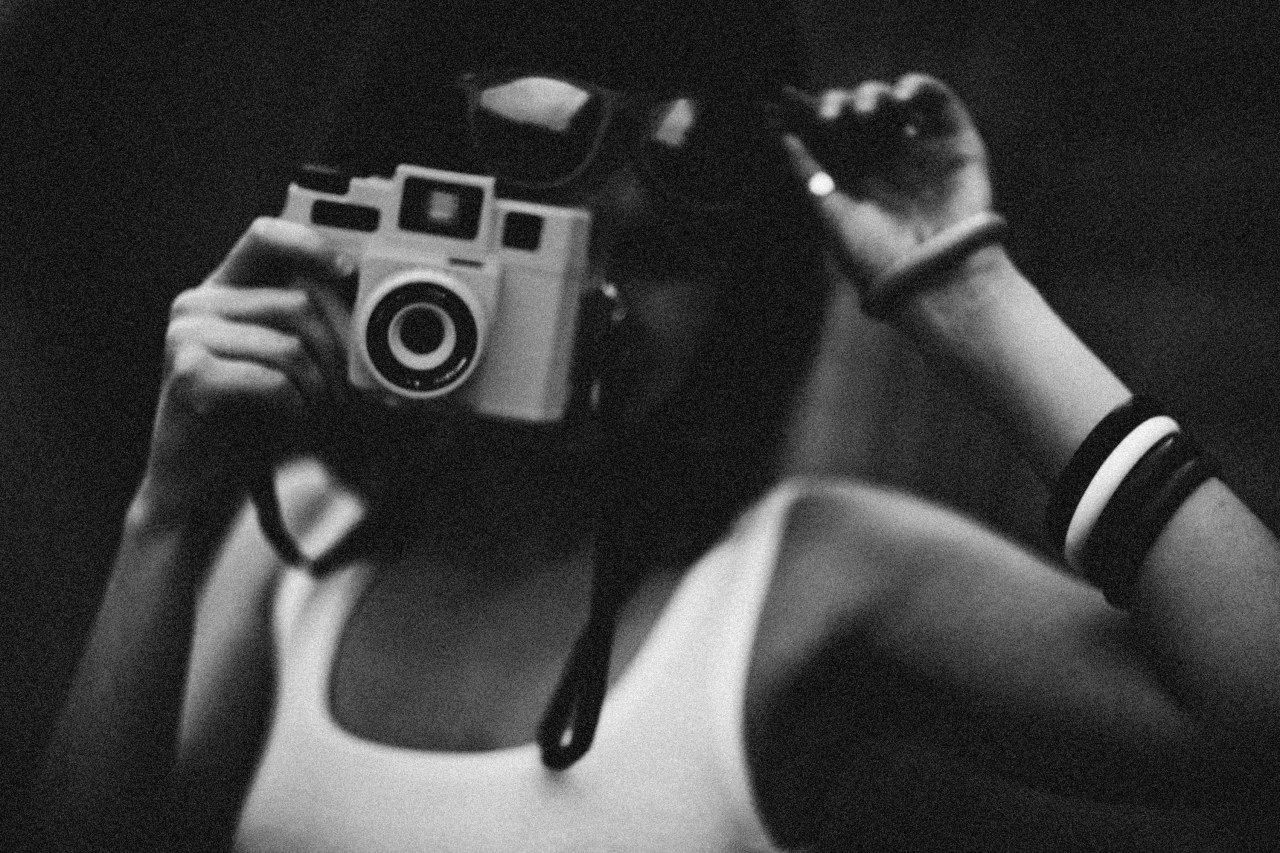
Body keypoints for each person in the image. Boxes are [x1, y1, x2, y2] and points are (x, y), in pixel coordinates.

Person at [29, 4, 1280, 853]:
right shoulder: (295, 546)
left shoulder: (806, 576)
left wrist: (962, 289)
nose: (598, 299)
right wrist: (169, 515)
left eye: (661, 255)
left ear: (746, 304)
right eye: (540, 240)